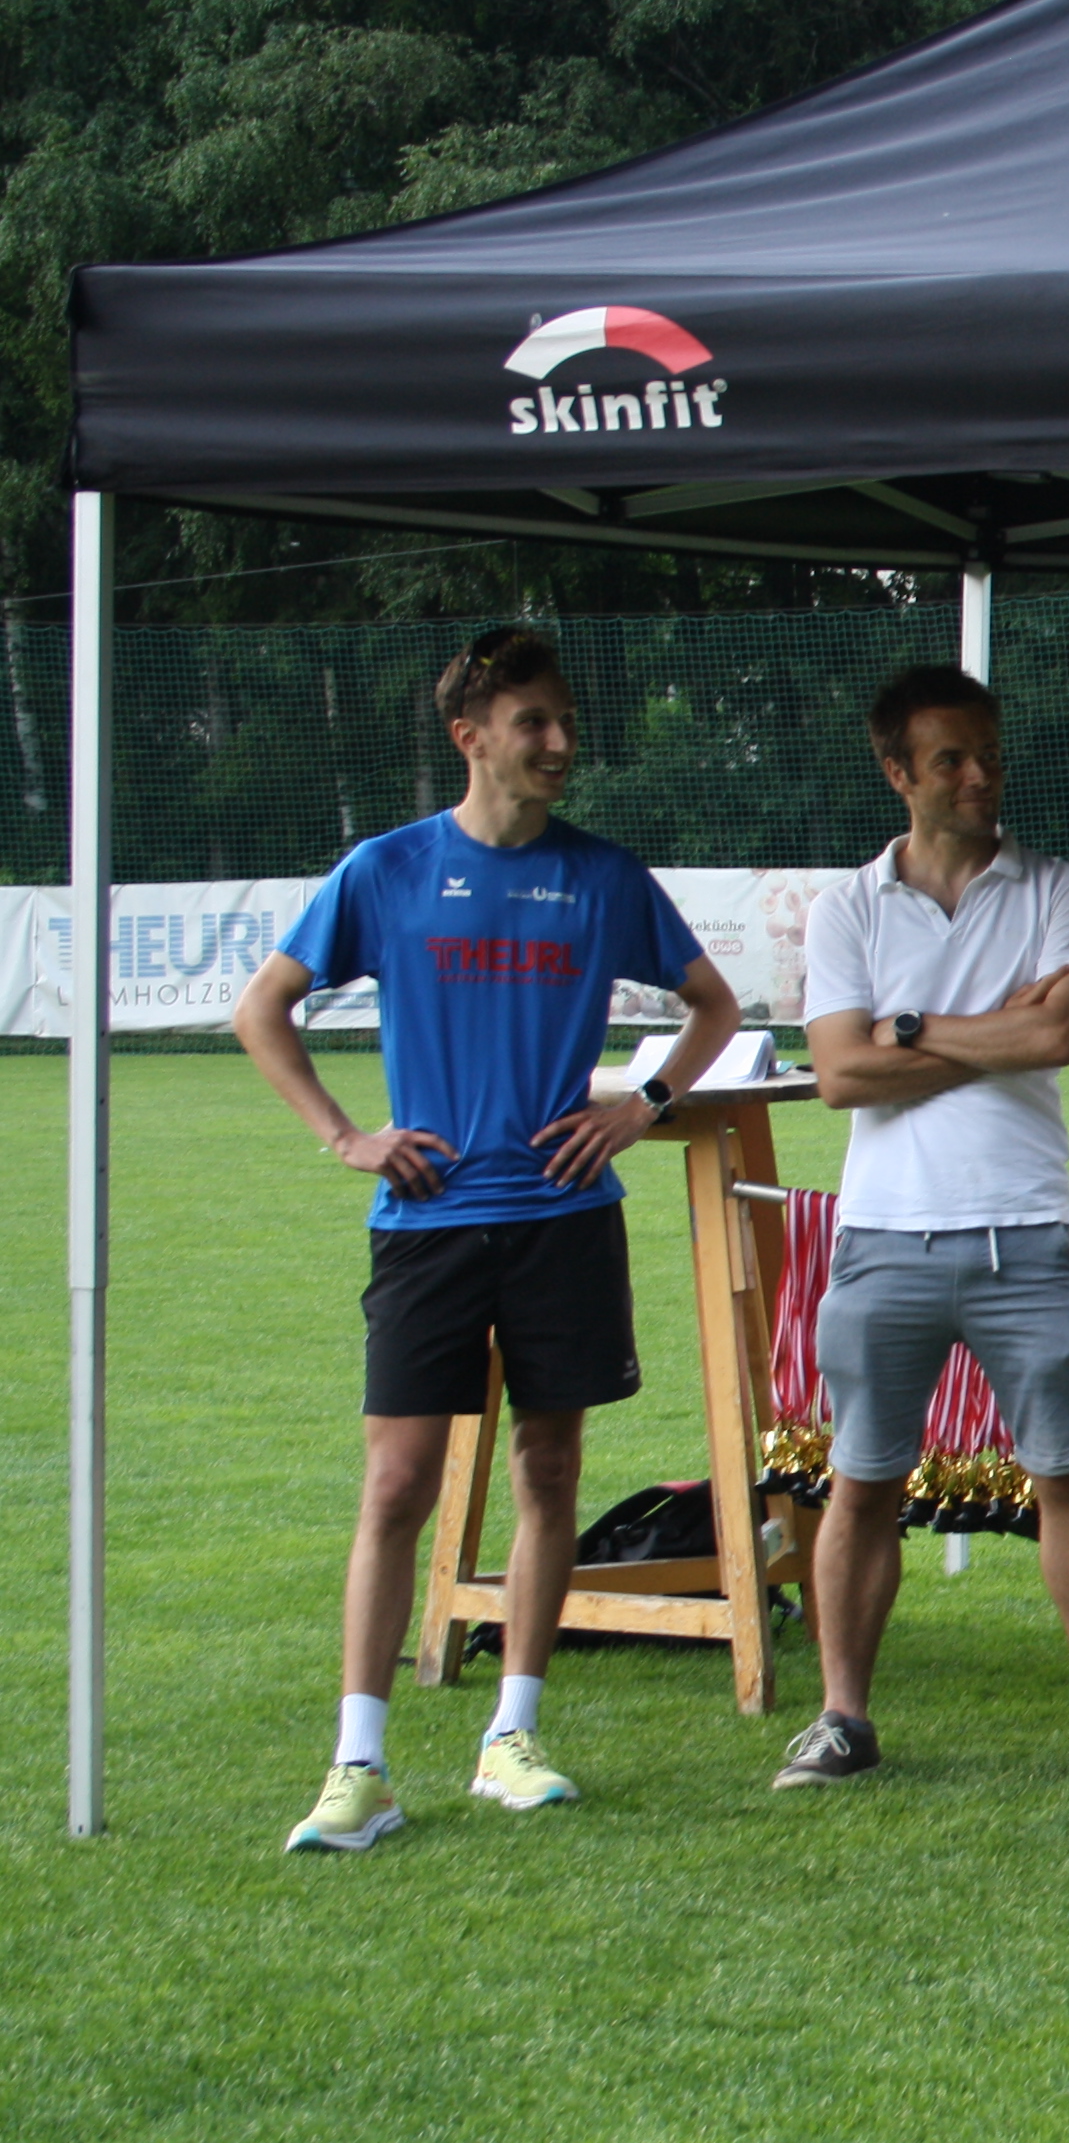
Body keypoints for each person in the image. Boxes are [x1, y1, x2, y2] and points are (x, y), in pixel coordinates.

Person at [236, 625, 742, 1853]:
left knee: (549, 1472)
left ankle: (511, 1738)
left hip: (564, 1220)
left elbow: (714, 1007)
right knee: (397, 1485)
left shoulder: (603, 875)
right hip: (429, 1225)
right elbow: (262, 1009)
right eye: (533, 723)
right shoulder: (387, 869)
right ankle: (359, 1767)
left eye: (565, 720)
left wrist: (642, 1106)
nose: (560, 742)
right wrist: (346, 1136)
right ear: (470, 737)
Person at [778, 663, 1069, 1788]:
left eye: (988, 754)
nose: (979, 776)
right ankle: (842, 1720)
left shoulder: (1058, 890)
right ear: (896, 773)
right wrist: (980, 1027)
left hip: (1024, 1233)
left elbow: (1053, 1039)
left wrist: (904, 1030)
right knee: (861, 1484)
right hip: (883, 1238)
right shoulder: (849, 907)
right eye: (949, 759)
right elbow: (839, 1075)